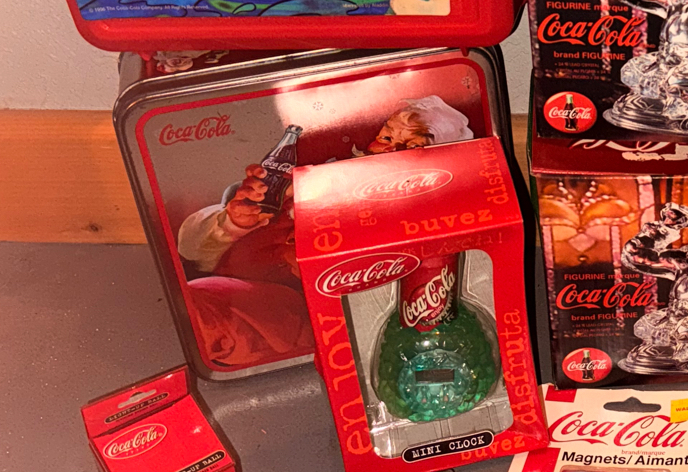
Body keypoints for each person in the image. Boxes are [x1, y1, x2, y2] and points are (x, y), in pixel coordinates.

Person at [175, 96, 473, 369]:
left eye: (413, 148)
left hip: (296, 321)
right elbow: (189, 249)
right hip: (228, 287)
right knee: (186, 302)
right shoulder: (308, 180)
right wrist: (234, 222)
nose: (389, 151)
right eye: (385, 137)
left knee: (201, 312)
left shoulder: (417, 222)